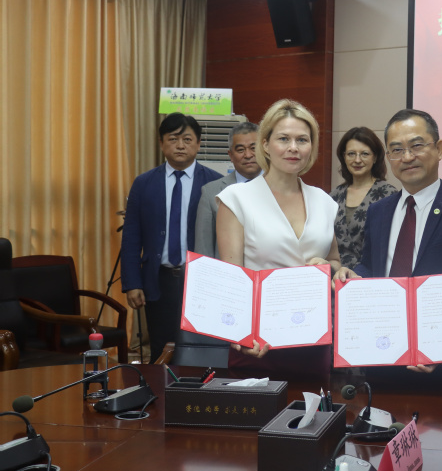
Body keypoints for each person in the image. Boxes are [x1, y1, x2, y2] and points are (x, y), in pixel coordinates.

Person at [334, 108, 442, 384]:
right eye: (396, 150)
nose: (407, 157)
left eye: (417, 146)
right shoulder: (379, 211)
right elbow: (371, 266)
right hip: (385, 360)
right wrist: (354, 275)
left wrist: (440, 347)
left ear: (439, 149)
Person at [216, 99, 341, 374]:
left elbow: (334, 262)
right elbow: (232, 278)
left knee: (313, 403)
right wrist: (241, 334)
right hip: (258, 340)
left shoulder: (324, 201)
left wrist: (328, 266)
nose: (293, 147)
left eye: (302, 140)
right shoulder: (237, 199)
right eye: (283, 138)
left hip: (313, 337)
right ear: (265, 145)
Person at [120, 113, 223, 363]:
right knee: (161, 348)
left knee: (200, 348)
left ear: (198, 144)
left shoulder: (215, 183)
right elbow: (131, 236)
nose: (180, 145)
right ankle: (161, 389)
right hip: (159, 278)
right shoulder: (144, 183)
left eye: (187, 139)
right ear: (161, 143)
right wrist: (132, 283)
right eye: (173, 139)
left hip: (200, 280)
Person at [329, 127, 397, 269]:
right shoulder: (333, 196)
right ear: (344, 157)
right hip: (336, 276)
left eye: (364, 154)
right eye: (351, 154)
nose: (357, 160)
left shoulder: (388, 194)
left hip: (373, 274)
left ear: (375, 157)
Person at [194, 122, 261, 259]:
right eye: (240, 150)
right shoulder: (211, 192)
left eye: (253, 148)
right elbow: (203, 249)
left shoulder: (280, 188)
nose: (248, 155)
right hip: (227, 270)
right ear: (230, 155)